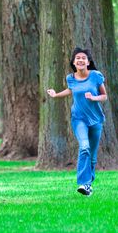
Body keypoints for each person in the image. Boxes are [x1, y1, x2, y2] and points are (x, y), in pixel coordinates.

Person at [46, 47, 108, 196]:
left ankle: (89, 184)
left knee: (92, 156)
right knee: (84, 147)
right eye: (77, 58)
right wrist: (56, 95)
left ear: (88, 61)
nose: (80, 60)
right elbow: (70, 90)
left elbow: (104, 95)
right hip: (78, 119)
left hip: (95, 120)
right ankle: (83, 183)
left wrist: (94, 98)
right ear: (74, 62)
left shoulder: (95, 76)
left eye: (83, 58)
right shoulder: (71, 78)